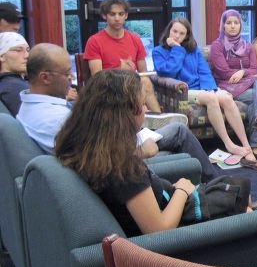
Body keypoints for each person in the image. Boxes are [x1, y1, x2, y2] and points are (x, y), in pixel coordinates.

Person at [53, 69, 257, 237]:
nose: (145, 110)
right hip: (176, 225)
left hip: (169, 201)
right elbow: (159, 232)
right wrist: (182, 191)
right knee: (246, 212)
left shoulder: (86, 150)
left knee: (236, 191)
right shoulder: (124, 169)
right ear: (125, 114)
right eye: (142, 105)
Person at [16, 44, 221, 183]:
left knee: (176, 130)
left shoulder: (35, 107)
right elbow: (95, 162)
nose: (71, 78)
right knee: (180, 136)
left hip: (117, 145)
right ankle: (215, 186)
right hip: (122, 162)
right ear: (44, 77)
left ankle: (210, 183)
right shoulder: (51, 119)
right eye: (66, 73)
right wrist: (142, 152)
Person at [152, 17, 257, 166]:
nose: (177, 35)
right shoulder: (158, 51)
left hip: (202, 89)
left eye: (181, 33)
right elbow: (169, 72)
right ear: (168, 31)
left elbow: (204, 72)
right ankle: (229, 144)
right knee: (211, 98)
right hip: (183, 92)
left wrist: (212, 89)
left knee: (227, 99)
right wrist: (177, 49)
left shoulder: (193, 51)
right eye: (174, 31)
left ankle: (246, 146)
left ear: (187, 36)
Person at [210, 9, 257, 161]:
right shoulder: (217, 45)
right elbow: (224, 72)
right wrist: (242, 73)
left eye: (236, 23)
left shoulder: (248, 45)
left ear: (241, 25)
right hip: (227, 86)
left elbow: (255, 69)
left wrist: (242, 72)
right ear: (223, 26)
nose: (232, 26)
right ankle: (256, 144)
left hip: (247, 82)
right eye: (229, 23)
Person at [83, 0, 162, 113]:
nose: (117, 18)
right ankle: (153, 116)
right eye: (112, 14)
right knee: (142, 95)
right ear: (104, 16)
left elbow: (143, 73)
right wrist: (119, 71)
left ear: (126, 15)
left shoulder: (135, 39)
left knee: (145, 82)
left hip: (131, 86)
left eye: (120, 14)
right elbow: (97, 78)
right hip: (107, 88)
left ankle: (159, 119)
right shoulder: (94, 41)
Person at [0, 32, 30, 115]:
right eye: (18, 50)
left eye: (28, 50)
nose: (27, 55)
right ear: (1, 56)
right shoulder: (14, 86)